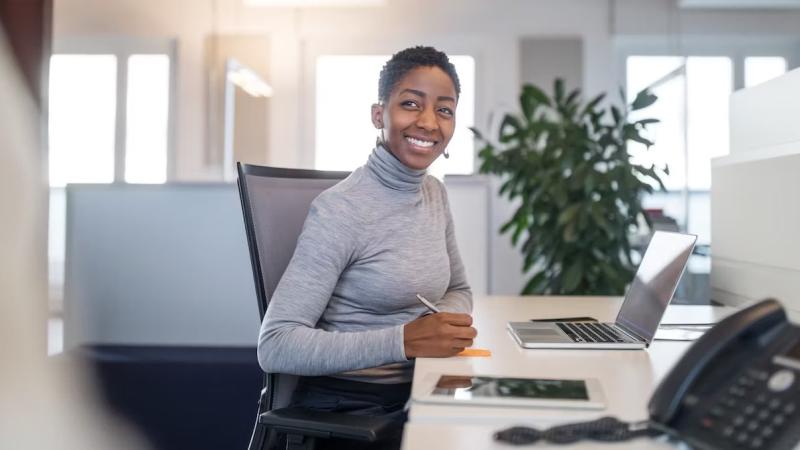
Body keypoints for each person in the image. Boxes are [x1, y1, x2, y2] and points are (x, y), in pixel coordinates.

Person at [257, 46, 476, 449]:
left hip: (419, 390)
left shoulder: (434, 194)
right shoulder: (342, 209)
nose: (428, 122)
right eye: (411, 104)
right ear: (379, 114)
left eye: (444, 110)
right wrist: (405, 341)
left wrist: (441, 327)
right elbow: (276, 345)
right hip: (352, 411)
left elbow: (459, 289)